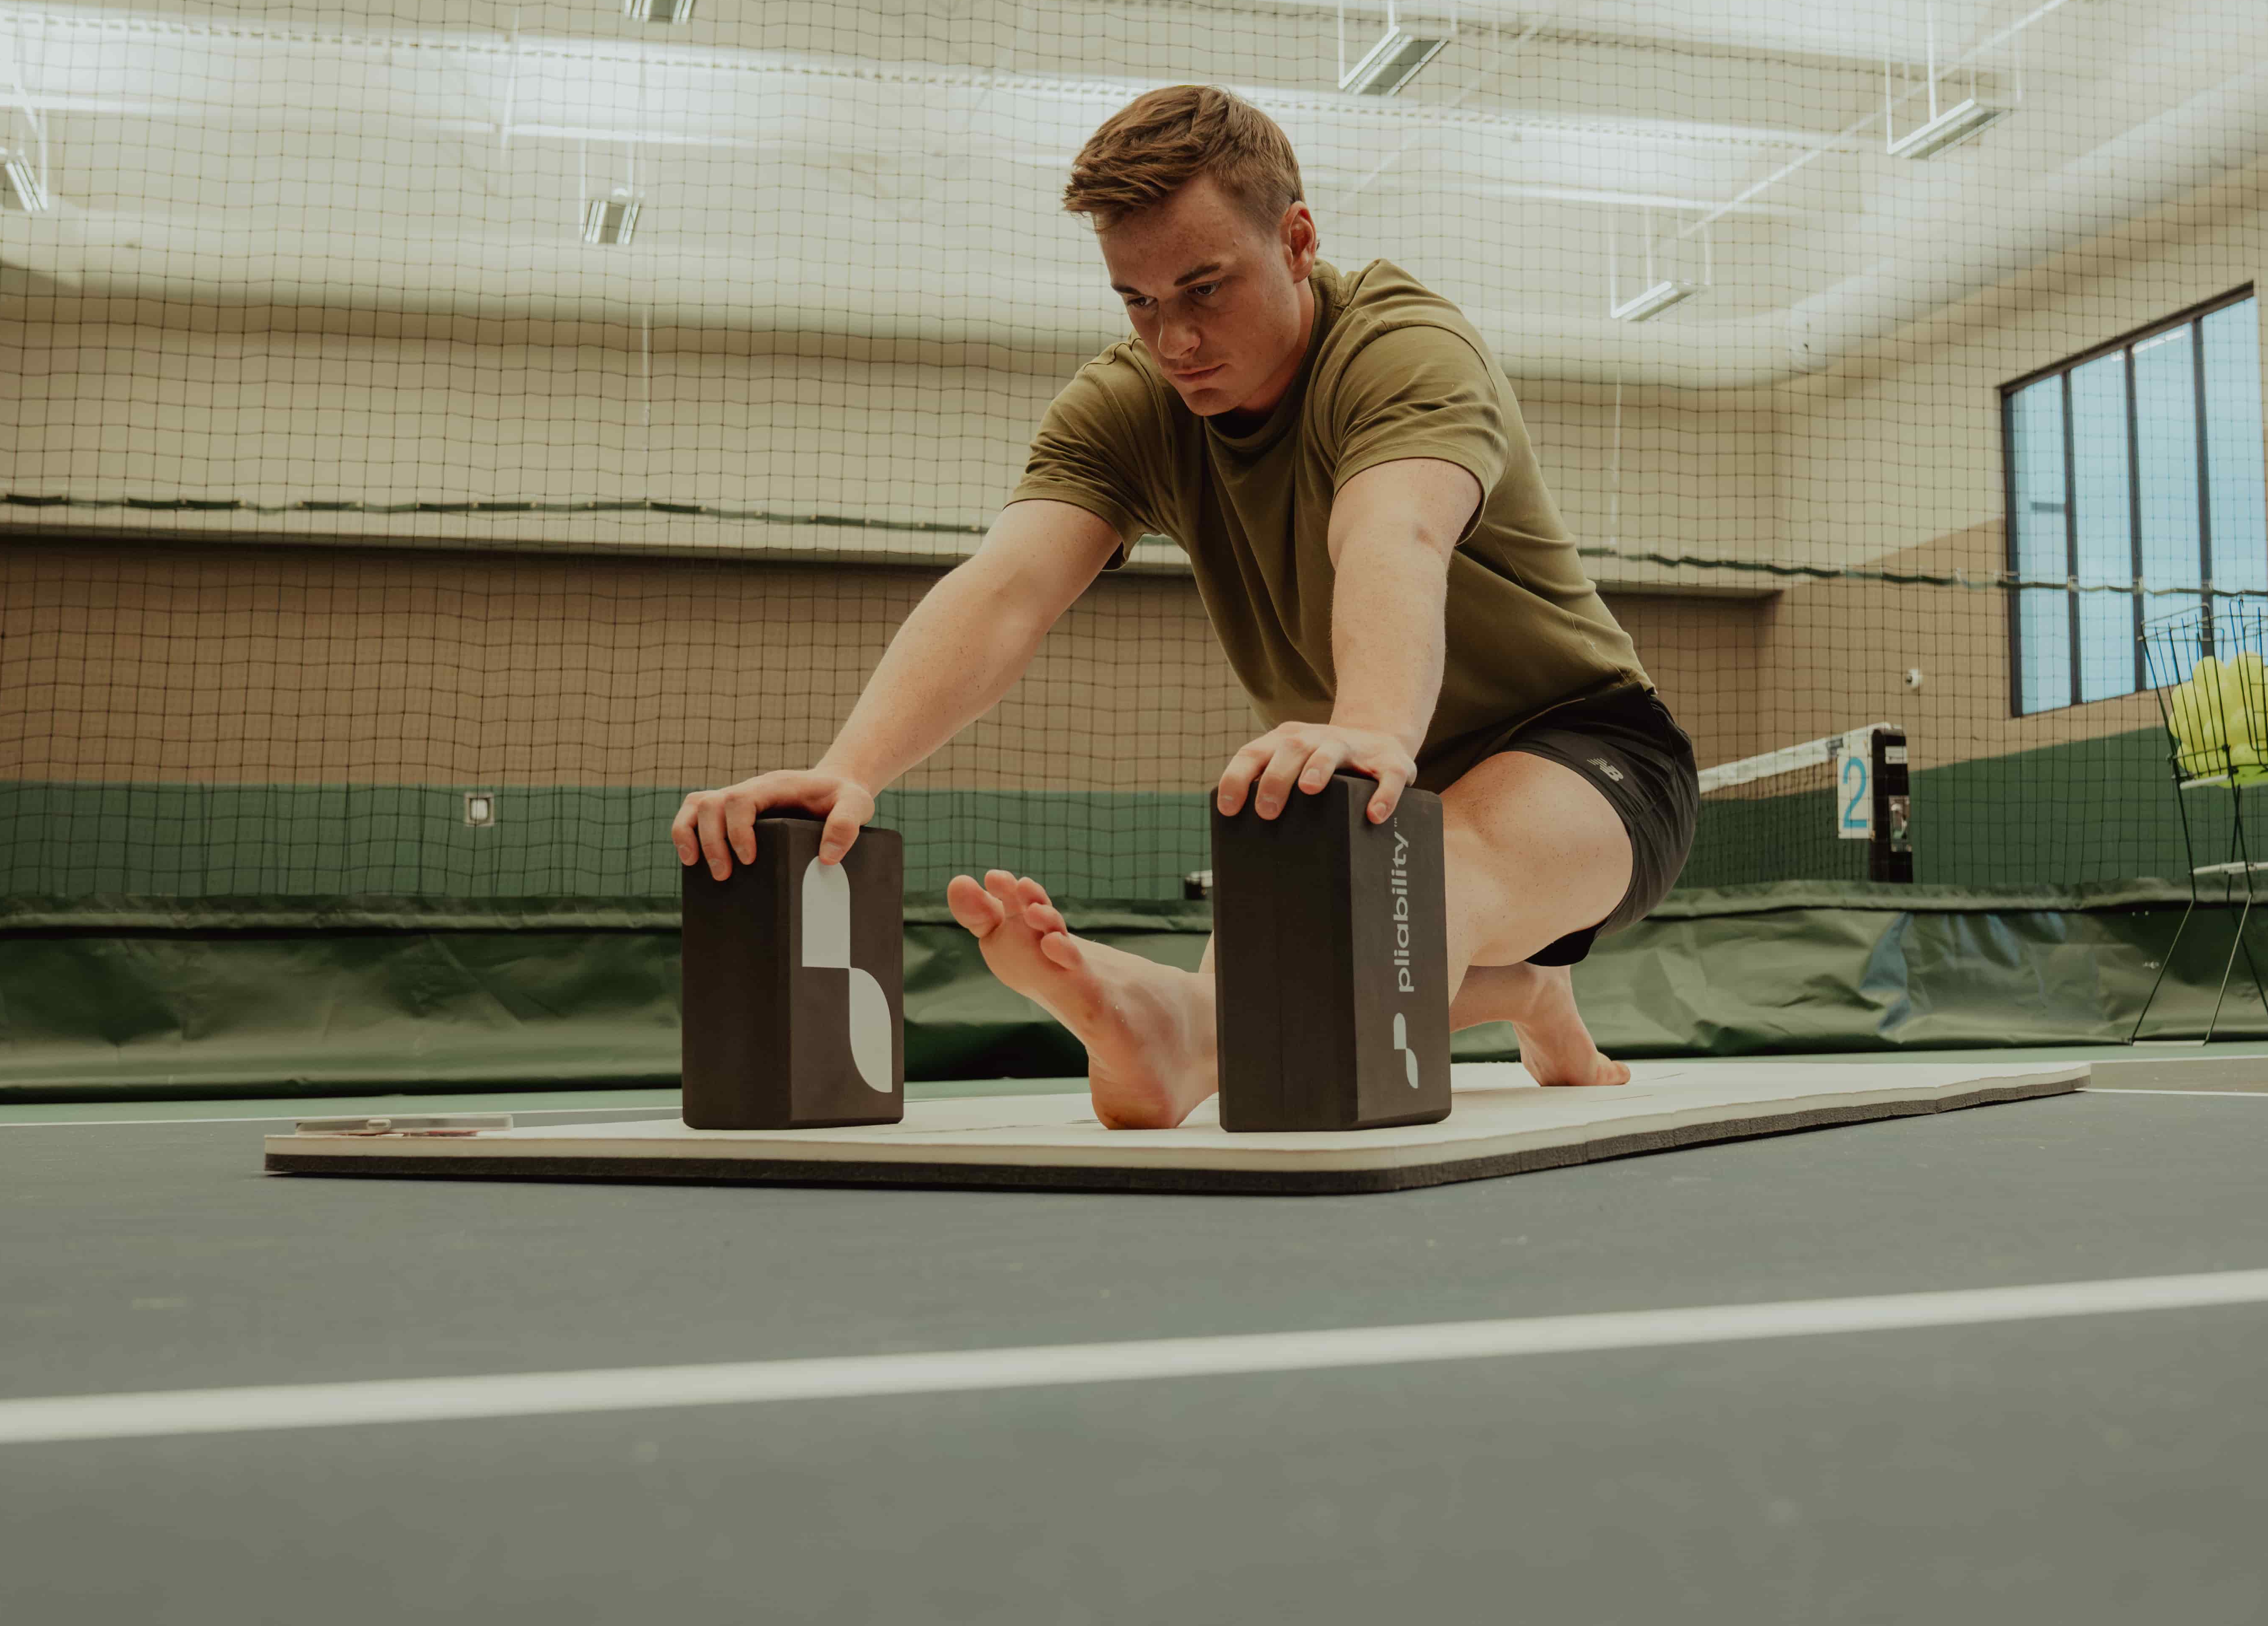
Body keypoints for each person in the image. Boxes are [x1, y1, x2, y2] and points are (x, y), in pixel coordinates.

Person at [670, 84, 1699, 1128]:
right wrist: (849, 769)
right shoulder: (1131, 404)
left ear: (1297, 240)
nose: (1175, 341)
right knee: (1301, 965)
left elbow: (1395, 535)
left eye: (1205, 288)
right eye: (1140, 300)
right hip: (1356, 792)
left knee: (1383, 898)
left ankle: (1179, 1029)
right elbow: (1006, 589)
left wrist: (1373, 731)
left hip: (1585, 755)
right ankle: (1519, 992)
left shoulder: (1402, 350)